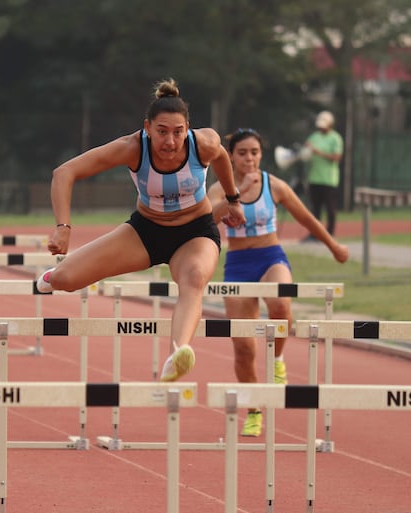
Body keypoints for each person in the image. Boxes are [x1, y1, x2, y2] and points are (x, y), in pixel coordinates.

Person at [36, 78, 245, 382]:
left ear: (188, 129)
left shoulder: (204, 144)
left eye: (178, 133)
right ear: (147, 128)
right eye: (162, 132)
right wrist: (63, 227)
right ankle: (53, 275)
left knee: (194, 279)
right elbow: (64, 172)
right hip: (146, 231)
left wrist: (233, 198)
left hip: (195, 233)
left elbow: (223, 157)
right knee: (66, 279)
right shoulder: (132, 148)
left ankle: (179, 353)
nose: (170, 142)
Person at [208, 128, 348, 437]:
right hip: (238, 266)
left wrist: (334, 246)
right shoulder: (220, 188)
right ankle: (254, 409)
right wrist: (239, 190)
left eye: (254, 152)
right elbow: (206, 218)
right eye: (242, 153)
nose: (249, 158)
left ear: (261, 154)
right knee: (244, 348)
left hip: (271, 257)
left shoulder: (275, 185)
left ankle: (279, 359)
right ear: (231, 156)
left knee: (281, 305)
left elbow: (307, 218)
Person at [303, 110, 343, 241]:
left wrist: (318, 152)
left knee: (330, 209)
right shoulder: (314, 137)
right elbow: (306, 153)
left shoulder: (335, 138)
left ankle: (330, 234)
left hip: (329, 180)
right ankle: (314, 234)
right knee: (315, 209)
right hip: (314, 178)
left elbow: (336, 157)